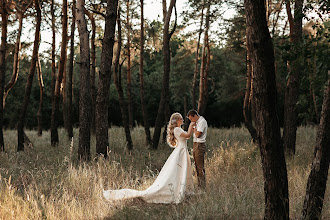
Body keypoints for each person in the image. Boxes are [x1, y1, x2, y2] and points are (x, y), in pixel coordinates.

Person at [103, 113, 195, 204]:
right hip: (180, 152)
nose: (182, 120)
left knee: (181, 171)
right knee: (178, 171)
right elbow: (187, 136)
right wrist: (191, 125)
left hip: (182, 151)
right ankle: (177, 189)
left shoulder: (178, 129)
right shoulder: (177, 129)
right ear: (177, 120)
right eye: (181, 119)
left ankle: (183, 189)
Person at [186, 109, 208, 189]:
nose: (191, 121)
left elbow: (198, 134)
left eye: (191, 119)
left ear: (195, 116)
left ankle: (202, 187)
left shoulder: (202, 122)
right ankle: (200, 185)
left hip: (199, 145)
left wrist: (194, 127)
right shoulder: (198, 122)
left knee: (200, 166)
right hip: (196, 144)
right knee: (197, 166)